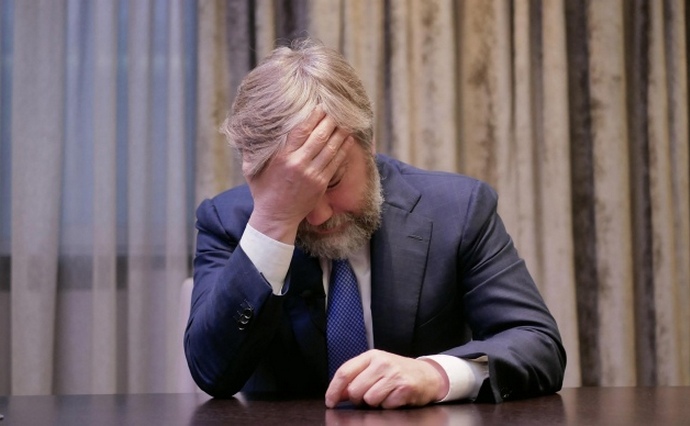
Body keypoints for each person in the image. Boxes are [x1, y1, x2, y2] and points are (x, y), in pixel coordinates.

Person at [185, 38, 566, 409]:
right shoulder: (228, 221)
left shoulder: (458, 210)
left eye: (331, 181)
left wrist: (436, 374)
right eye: (295, 191)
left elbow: (538, 343)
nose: (319, 215)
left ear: (368, 144)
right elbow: (212, 374)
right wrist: (273, 221)